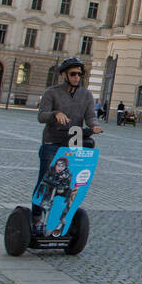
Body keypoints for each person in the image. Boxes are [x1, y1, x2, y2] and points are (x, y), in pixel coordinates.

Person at [34, 57, 101, 231]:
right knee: (45, 181)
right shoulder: (52, 93)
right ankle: (36, 217)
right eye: (73, 74)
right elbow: (41, 116)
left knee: (70, 183)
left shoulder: (86, 95)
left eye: (79, 74)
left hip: (74, 142)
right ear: (64, 75)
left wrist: (94, 125)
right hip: (53, 141)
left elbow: (90, 116)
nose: (77, 77)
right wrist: (55, 114)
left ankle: (62, 217)